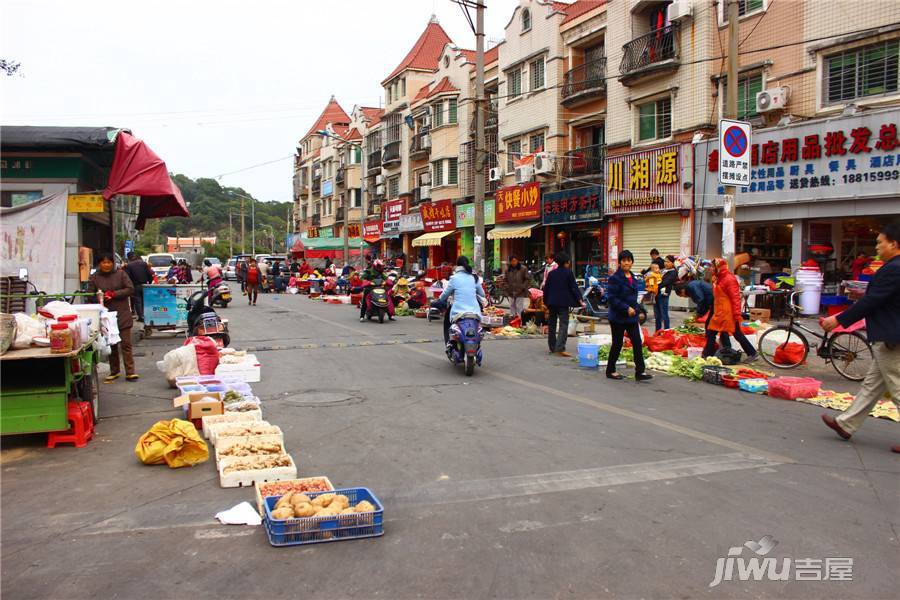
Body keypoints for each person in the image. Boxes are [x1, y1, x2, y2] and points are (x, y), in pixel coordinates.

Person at [820, 223, 900, 453]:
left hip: (890, 335)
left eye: (880, 242)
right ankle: (846, 424)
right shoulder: (892, 267)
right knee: (872, 385)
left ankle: (847, 423)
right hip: (890, 333)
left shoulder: (893, 268)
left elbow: (873, 301)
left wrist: (838, 320)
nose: (877, 247)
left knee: (896, 387)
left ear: (893, 244)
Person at [87, 253, 138, 382]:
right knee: (112, 345)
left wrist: (114, 294)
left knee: (126, 344)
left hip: (122, 314)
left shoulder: (121, 274)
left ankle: (130, 372)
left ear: (112, 263)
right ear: (99, 264)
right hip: (106, 316)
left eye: (109, 262)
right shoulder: (94, 277)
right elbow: (90, 295)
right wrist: (100, 297)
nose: (106, 265)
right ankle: (114, 371)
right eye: (104, 262)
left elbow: (130, 289)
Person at [606, 250, 651, 381]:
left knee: (637, 342)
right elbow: (612, 299)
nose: (626, 263)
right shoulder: (615, 278)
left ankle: (640, 372)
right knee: (617, 344)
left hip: (631, 317)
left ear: (632, 262)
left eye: (629, 260)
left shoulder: (633, 277)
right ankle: (610, 370)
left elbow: (634, 299)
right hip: (618, 317)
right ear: (620, 262)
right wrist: (626, 308)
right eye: (624, 260)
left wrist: (638, 311)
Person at [703, 258, 758, 362]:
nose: (710, 268)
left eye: (712, 266)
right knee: (712, 332)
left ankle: (752, 353)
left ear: (719, 267)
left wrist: (737, 314)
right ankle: (708, 354)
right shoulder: (718, 278)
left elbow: (735, 298)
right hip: (719, 311)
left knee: (736, 333)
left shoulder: (729, 279)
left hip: (728, 312)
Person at [674, 269, 732, 349]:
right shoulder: (692, 285)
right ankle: (721, 346)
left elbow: (701, 300)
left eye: (681, 296)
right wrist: (700, 313)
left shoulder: (691, 286)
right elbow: (702, 301)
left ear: (682, 291)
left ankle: (717, 347)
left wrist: (699, 313)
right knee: (713, 325)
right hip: (715, 303)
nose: (684, 297)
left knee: (714, 326)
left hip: (718, 303)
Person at [436, 256, 485, 345]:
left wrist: (439, 299)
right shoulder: (475, 278)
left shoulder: (454, 278)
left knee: (448, 324)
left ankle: (449, 344)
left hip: (458, 311)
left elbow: (444, 295)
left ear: (457, 265)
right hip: (474, 311)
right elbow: (482, 294)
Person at [543, 251, 583, 357]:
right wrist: (580, 299)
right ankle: (560, 348)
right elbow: (574, 287)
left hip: (551, 302)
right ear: (567, 262)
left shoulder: (551, 273)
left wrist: (545, 302)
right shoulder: (568, 273)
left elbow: (546, 288)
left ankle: (552, 347)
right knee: (563, 325)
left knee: (552, 325)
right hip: (563, 303)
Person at [123, 252, 154, 322]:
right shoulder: (143, 263)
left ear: (129, 258)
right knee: (144, 300)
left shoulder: (129, 265)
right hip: (145, 285)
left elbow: (127, 277)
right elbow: (149, 274)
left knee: (138, 301)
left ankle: (140, 316)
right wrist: (150, 282)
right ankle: (146, 315)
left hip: (136, 285)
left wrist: (129, 286)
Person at [653, 255, 677, 331]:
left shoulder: (673, 272)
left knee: (664, 315)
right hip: (656, 294)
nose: (666, 263)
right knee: (657, 316)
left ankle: (667, 332)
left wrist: (654, 286)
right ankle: (657, 332)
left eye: (668, 262)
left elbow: (664, 283)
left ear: (672, 263)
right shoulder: (663, 270)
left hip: (663, 295)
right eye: (665, 261)